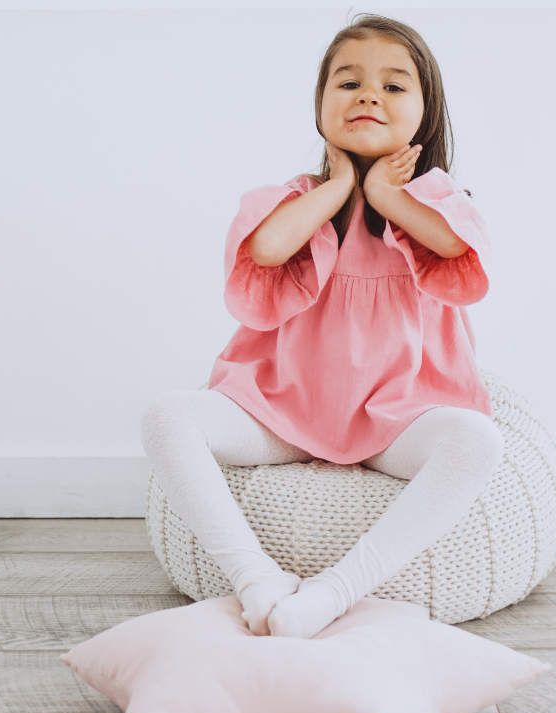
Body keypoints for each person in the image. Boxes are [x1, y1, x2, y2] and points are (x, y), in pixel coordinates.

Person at [140, 13, 505, 640]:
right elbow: (269, 249)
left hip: (398, 417)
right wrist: (338, 188)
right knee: (165, 417)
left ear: (426, 111)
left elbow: (452, 250)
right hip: (281, 410)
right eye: (348, 83)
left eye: (394, 86)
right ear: (320, 107)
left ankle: (337, 591)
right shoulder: (296, 197)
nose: (368, 95)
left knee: (477, 442)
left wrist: (389, 199)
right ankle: (254, 576)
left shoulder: (443, 200)